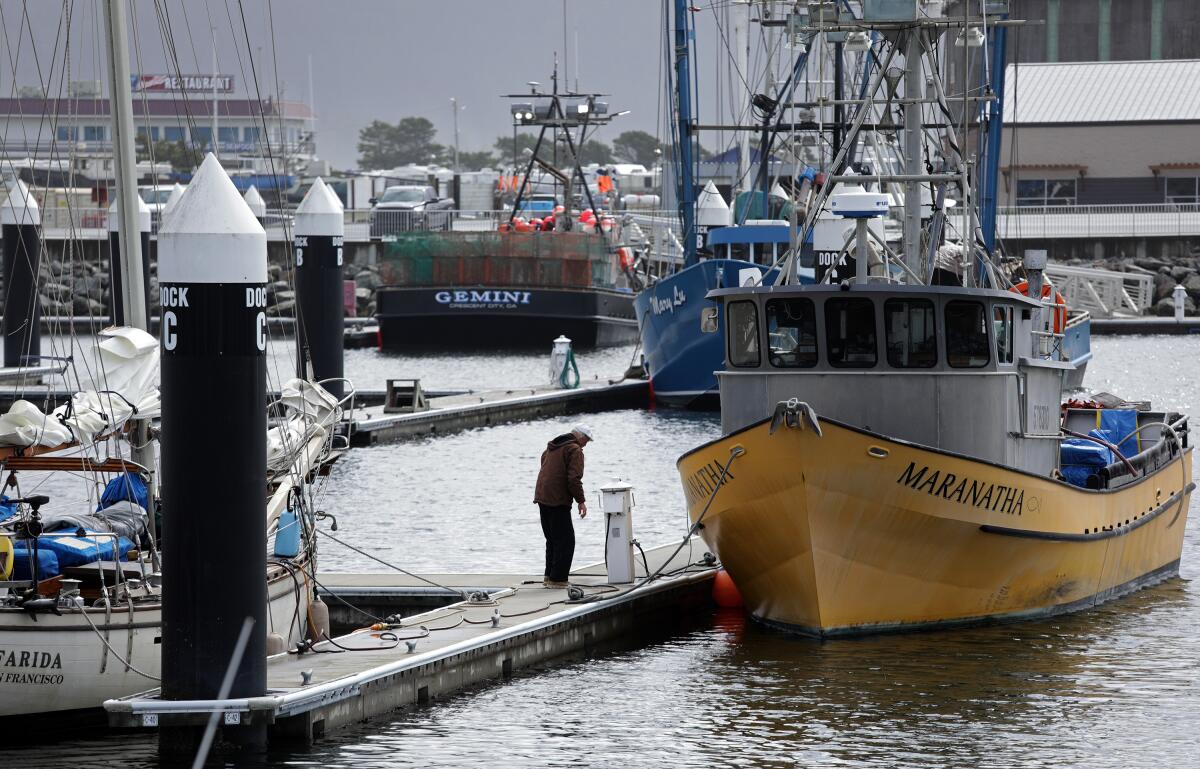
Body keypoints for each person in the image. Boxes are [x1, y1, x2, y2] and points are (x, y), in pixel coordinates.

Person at [533, 425, 592, 588]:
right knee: (566, 541)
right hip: (557, 499)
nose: (586, 444)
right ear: (580, 437)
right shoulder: (574, 450)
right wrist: (581, 501)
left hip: (542, 497)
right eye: (586, 440)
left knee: (552, 539)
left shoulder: (552, 447)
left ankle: (549, 577)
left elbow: (544, 465)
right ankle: (558, 580)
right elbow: (573, 479)